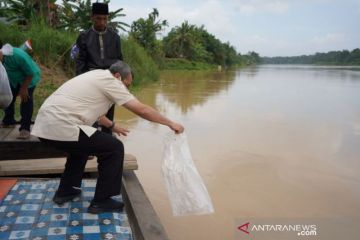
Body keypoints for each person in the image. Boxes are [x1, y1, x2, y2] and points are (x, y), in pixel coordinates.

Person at [31, 61, 184, 214]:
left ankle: (66, 191)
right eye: (126, 84)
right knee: (114, 148)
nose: (126, 88)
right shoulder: (111, 82)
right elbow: (142, 110)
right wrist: (170, 123)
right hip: (61, 124)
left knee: (81, 148)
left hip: (46, 125)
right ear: (118, 76)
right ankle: (102, 201)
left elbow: (94, 111)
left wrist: (112, 126)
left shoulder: (96, 75)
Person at [76, 2, 123, 133]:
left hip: (110, 78)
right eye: (98, 18)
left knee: (108, 113)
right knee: (90, 114)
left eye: (105, 19)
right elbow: (80, 61)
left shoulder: (115, 37)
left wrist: (119, 79)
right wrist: (80, 82)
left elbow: (119, 59)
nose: (102, 22)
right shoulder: (84, 36)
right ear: (92, 18)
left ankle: (106, 145)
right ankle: (91, 144)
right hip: (91, 79)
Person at [0, 40, 41, 139]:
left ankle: (25, 128)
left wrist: (24, 88)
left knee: (25, 99)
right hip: (14, 79)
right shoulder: (2, 58)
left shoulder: (17, 56)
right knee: (7, 97)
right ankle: (8, 121)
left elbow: (30, 73)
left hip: (29, 78)